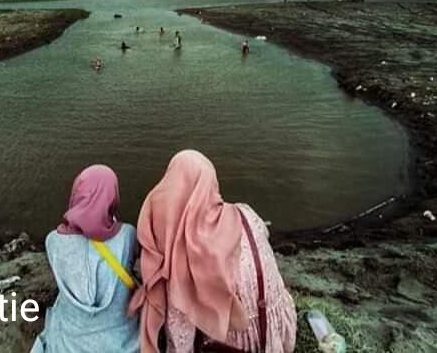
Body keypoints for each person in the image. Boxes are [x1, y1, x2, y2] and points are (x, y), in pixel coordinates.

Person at [129, 150, 297, 353]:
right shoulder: (245, 212)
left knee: (183, 298)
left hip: (229, 344)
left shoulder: (184, 249)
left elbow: (181, 326)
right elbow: (264, 234)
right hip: (273, 331)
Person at [32, 165, 140, 353]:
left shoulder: (53, 241)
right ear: (113, 197)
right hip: (120, 340)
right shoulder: (128, 235)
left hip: (69, 343)